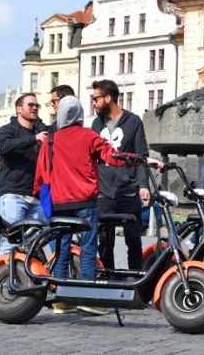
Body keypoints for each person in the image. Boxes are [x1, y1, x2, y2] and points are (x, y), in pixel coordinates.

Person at [34, 95, 127, 315]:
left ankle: (61, 300)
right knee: (87, 249)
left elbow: (40, 174)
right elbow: (111, 155)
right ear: (79, 114)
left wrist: (42, 194)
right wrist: (133, 159)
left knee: (61, 250)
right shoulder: (88, 136)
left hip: (59, 204)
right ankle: (89, 298)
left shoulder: (51, 140)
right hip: (85, 201)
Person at [91, 79, 150, 271]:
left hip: (128, 191)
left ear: (108, 98)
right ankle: (109, 277)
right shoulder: (96, 123)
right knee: (104, 241)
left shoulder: (133, 121)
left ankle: (135, 278)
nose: (93, 103)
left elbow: (142, 157)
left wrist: (143, 185)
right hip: (103, 192)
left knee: (133, 240)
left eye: (96, 98)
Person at [0, 92, 48, 255]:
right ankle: (0, 279)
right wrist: (33, 139)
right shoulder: (7, 130)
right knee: (11, 242)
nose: (34, 108)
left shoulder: (39, 130)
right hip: (13, 195)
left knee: (33, 246)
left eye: (36, 105)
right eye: (30, 105)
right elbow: (3, 147)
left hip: (35, 197)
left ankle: (26, 278)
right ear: (18, 108)